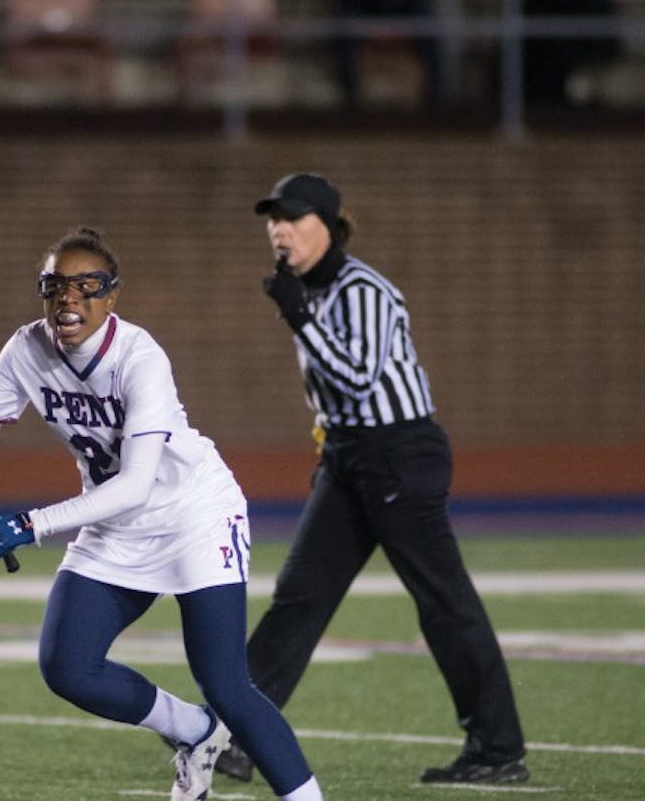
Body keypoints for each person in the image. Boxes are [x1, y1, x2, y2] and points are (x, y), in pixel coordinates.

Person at [0, 227, 324, 801]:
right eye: (55, 287)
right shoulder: (27, 347)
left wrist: (31, 525)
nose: (69, 299)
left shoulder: (139, 356)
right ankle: (195, 732)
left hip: (192, 514)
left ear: (112, 296)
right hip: (118, 526)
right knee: (67, 667)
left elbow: (136, 483)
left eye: (86, 286)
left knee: (225, 682)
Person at [210, 173, 529, 785]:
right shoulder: (307, 291)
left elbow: (360, 377)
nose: (279, 228)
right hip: (350, 457)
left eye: (293, 216)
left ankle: (497, 749)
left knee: (443, 602)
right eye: (272, 218)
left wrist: (298, 317)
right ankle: (235, 735)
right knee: (300, 597)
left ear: (327, 225)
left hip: (399, 453)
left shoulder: (364, 290)